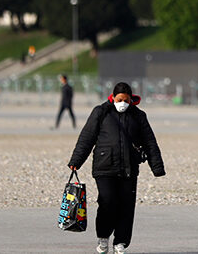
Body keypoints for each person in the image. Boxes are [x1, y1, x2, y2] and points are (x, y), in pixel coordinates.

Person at [68, 82, 166, 254]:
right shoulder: (101, 112)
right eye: (119, 99)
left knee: (127, 206)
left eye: (126, 100)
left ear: (131, 100)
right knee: (107, 201)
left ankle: (120, 242)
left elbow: (150, 142)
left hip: (129, 168)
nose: (123, 103)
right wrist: (76, 160)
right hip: (104, 167)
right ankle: (103, 238)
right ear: (112, 97)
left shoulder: (138, 116)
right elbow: (87, 138)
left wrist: (156, 167)